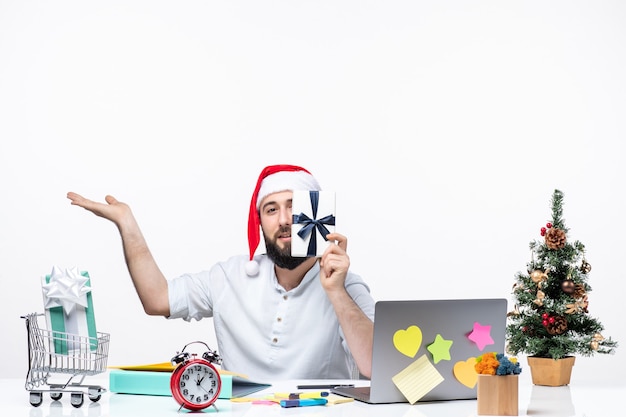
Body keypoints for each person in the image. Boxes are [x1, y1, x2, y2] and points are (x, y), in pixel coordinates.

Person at [67, 164, 375, 381]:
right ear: (260, 223)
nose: (284, 219)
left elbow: (374, 366)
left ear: (315, 214)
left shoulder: (347, 286)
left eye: (294, 206)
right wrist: (127, 224)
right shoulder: (230, 277)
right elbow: (158, 298)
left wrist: (336, 292)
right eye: (271, 209)